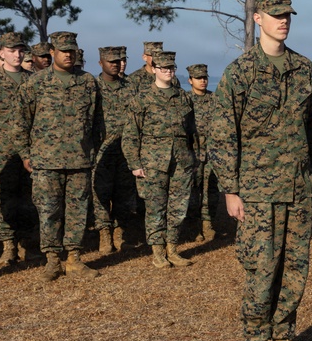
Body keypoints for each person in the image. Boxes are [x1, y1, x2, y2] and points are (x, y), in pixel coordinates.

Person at [210, 0, 312, 341]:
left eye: (288, 14)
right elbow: (223, 134)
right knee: (262, 269)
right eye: (275, 14)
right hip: (257, 190)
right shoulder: (240, 73)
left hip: (297, 188)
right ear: (258, 18)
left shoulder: (306, 70)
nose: (283, 20)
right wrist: (230, 188)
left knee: (295, 270)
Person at [17, 31, 101, 281]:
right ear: (52, 52)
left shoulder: (88, 82)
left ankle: (74, 258)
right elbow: (21, 121)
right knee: (49, 211)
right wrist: (25, 153)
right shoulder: (36, 82)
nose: (68, 55)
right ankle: (52, 260)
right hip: (46, 161)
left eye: (72, 51)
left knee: (77, 211)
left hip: (79, 160)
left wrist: (91, 151)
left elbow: (97, 121)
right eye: (63, 50)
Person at [122, 50, 196, 268]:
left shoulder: (182, 97)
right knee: (155, 207)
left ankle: (172, 248)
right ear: (154, 69)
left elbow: (192, 130)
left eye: (172, 68)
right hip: (153, 162)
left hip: (181, 161)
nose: (168, 72)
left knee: (178, 207)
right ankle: (157, 252)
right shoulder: (142, 98)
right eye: (163, 68)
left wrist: (195, 157)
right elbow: (131, 134)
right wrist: (134, 164)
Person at [0, 32, 36, 265]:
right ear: (1, 53)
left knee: (30, 199)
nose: (17, 54)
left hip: (29, 151)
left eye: (21, 50)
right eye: (12, 50)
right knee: (4, 199)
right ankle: (9, 246)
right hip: (1, 150)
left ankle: (30, 245)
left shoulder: (32, 80)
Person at [93, 46, 137, 253]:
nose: (116, 64)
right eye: (111, 61)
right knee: (100, 194)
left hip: (125, 151)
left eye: (119, 60)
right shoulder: (93, 87)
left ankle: (121, 233)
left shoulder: (130, 87)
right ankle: (104, 234)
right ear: (101, 63)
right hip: (101, 151)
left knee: (124, 193)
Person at [186, 63, 219, 242]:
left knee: (211, 189)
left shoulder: (215, 99)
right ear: (190, 80)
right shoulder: (185, 100)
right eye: (198, 78)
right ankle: (193, 225)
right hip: (192, 152)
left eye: (205, 78)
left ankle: (208, 223)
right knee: (193, 189)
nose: (203, 81)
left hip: (212, 152)